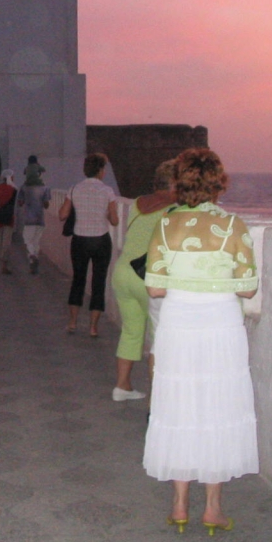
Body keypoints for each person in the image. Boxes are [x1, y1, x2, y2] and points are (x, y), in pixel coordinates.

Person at [142, 148, 258, 534]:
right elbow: (248, 288)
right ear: (217, 183)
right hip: (221, 325)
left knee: (178, 406)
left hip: (178, 325)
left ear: (181, 182)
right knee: (218, 408)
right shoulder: (234, 225)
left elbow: (155, 289)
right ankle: (212, 508)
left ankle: (178, 504)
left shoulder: (164, 225)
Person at [110, 159, 177, 401]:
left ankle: (122, 386)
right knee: (159, 338)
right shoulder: (174, 209)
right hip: (147, 278)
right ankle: (158, 400)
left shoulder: (137, 204)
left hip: (123, 272)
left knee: (131, 331)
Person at [58, 153, 118, 337]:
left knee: (78, 280)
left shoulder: (75, 189)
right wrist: (104, 213)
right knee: (98, 283)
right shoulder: (108, 191)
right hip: (101, 240)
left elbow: (62, 215)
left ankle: (73, 322)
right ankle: (93, 327)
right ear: (100, 170)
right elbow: (115, 221)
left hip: (80, 240)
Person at [17, 173, 50, 274]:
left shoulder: (24, 187)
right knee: (36, 242)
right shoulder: (45, 187)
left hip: (29, 219)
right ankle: (33, 265)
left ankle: (32, 255)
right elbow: (46, 205)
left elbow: (20, 203)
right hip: (40, 219)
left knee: (27, 239)